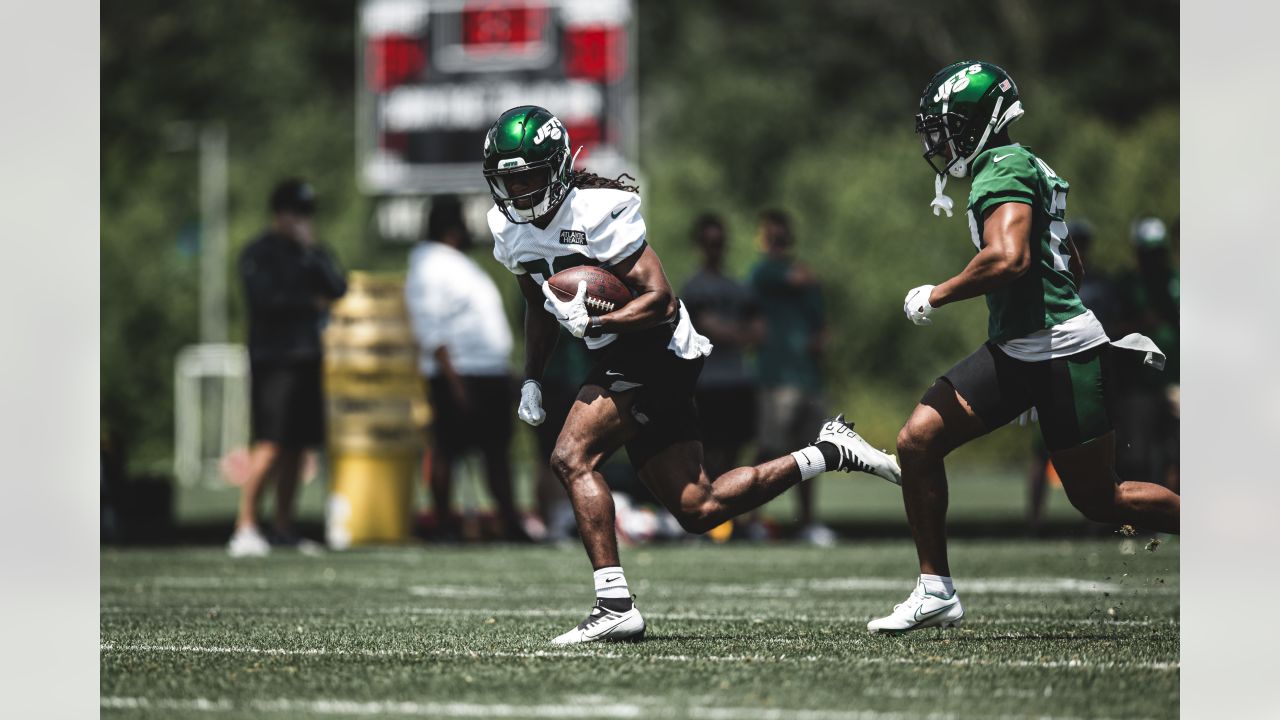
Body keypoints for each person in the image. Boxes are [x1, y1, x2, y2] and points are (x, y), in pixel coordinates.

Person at [481, 105, 901, 644]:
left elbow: (660, 301)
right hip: (622, 353)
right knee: (699, 508)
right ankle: (828, 452)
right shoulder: (509, 229)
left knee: (570, 456)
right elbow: (539, 303)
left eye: (529, 177)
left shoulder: (600, 213)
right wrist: (533, 377)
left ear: (559, 167)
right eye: (508, 180)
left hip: (656, 349)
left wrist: (595, 317)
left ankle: (614, 604)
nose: (517, 192)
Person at [873, 61, 1181, 634]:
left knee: (1100, 499)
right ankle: (935, 589)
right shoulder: (1025, 162)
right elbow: (1070, 262)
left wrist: (936, 295)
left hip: (1059, 352)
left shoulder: (1001, 166)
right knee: (918, 441)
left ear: (980, 121)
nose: (939, 140)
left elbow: (1010, 258)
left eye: (948, 125)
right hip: (1022, 348)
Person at [230, 178, 347, 557]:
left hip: (307, 358)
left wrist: (312, 251)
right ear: (279, 214)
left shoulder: (309, 252)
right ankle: (245, 525)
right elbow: (264, 299)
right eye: (297, 213)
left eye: (307, 214)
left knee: (298, 447)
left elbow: (337, 288)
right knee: (271, 444)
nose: (303, 221)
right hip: (273, 360)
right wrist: (307, 301)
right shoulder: (259, 252)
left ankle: (283, 526)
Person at [404, 196, 528, 542]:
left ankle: (509, 521)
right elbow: (431, 330)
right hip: (461, 373)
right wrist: (454, 381)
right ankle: (444, 524)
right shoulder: (429, 265)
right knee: (448, 450)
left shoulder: (452, 263)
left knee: (496, 452)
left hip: (484, 371)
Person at [748, 210, 836, 545]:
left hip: (807, 376)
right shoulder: (764, 271)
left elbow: (821, 321)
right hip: (776, 375)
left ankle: (808, 522)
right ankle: (752, 517)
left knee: (812, 451)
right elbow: (797, 278)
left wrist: (822, 338)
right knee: (769, 447)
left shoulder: (799, 277)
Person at [680, 214, 763, 488]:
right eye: (710, 242)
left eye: (719, 242)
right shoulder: (694, 287)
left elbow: (761, 330)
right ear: (700, 245)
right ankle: (707, 503)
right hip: (707, 381)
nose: (715, 248)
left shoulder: (738, 287)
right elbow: (709, 327)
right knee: (707, 450)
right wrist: (740, 334)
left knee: (734, 450)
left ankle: (728, 508)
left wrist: (732, 333)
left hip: (738, 379)